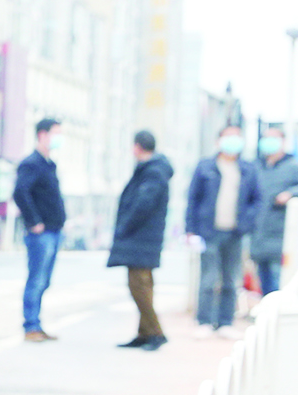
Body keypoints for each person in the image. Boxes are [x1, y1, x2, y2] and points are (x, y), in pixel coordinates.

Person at [185, 125, 265, 337]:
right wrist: (190, 229)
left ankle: (225, 322)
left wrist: (246, 223)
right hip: (208, 231)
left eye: (237, 137)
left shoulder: (248, 169)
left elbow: (257, 200)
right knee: (208, 278)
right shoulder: (205, 167)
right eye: (228, 137)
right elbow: (193, 199)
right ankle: (204, 321)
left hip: (235, 233)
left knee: (231, 279)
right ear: (218, 140)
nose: (233, 141)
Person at [107, 129, 173, 349]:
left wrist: (125, 227)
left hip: (142, 238)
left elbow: (143, 205)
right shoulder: (153, 169)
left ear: (137, 147)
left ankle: (155, 332)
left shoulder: (153, 171)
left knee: (139, 286)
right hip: (144, 238)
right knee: (143, 285)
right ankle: (144, 332)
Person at [12, 117, 67, 341]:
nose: (59, 138)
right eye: (56, 133)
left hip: (54, 230)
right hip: (41, 233)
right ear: (42, 135)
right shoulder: (32, 163)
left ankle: (37, 324)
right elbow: (20, 192)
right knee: (36, 280)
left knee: (44, 281)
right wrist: (34, 221)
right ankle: (31, 326)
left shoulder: (49, 164)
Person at [252, 125, 296, 296]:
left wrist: (290, 194)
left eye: (274, 138)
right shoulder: (256, 166)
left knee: (279, 281)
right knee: (263, 280)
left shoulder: (293, 166)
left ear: (283, 141)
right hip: (259, 233)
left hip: (282, 234)